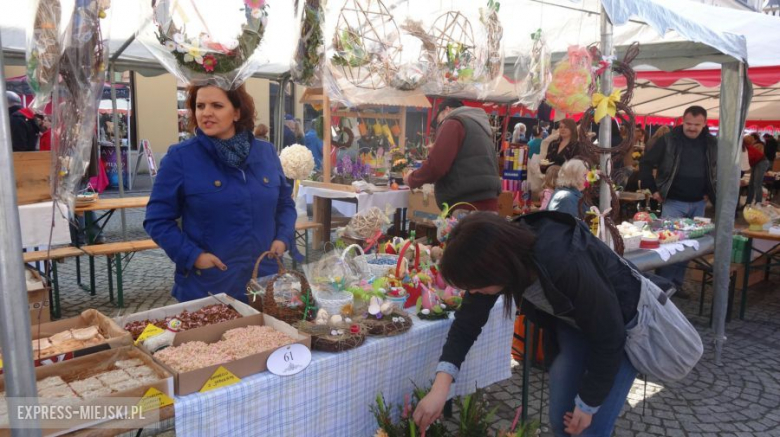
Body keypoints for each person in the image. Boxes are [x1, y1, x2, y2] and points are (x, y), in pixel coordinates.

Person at [413, 212, 641, 437]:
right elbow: (466, 324)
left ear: (496, 269)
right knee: (562, 419)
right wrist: (439, 389)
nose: (473, 293)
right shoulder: (499, 257)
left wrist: (588, 404)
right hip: (576, 327)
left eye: (475, 286)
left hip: (625, 328)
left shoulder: (562, 261)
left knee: (589, 428)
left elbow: (610, 336)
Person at [144, 84, 296, 302]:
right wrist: (193, 256)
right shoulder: (181, 158)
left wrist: (283, 237)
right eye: (200, 106)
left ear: (236, 112)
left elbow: (285, 205)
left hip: (265, 282)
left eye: (216, 105)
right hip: (210, 286)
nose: (206, 113)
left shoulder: (266, 153)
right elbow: (157, 220)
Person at [638, 105, 716, 296]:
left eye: (697, 125)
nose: (692, 128)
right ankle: (662, 286)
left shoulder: (712, 142)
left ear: (705, 123)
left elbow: (717, 168)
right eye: (688, 123)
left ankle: (676, 284)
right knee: (669, 246)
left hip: (698, 203)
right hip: (673, 201)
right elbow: (645, 163)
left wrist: (711, 190)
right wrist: (653, 189)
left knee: (689, 247)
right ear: (682, 120)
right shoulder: (668, 139)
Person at [403, 98, 501, 212]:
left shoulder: (453, 122)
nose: (439, 126)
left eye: (439, 121)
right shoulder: (479, 126)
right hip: (487, 200)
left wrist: (411, 179)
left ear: (446, 110)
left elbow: (436, 166)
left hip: (466, 203)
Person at [745, 137, 769, 204]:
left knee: (757, 184)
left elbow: (747, 161)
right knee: (751, 184)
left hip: (762, 162)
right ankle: (748, 203)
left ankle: (758, 204)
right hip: (757, 162)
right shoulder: (746, 148)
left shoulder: (746, 149)